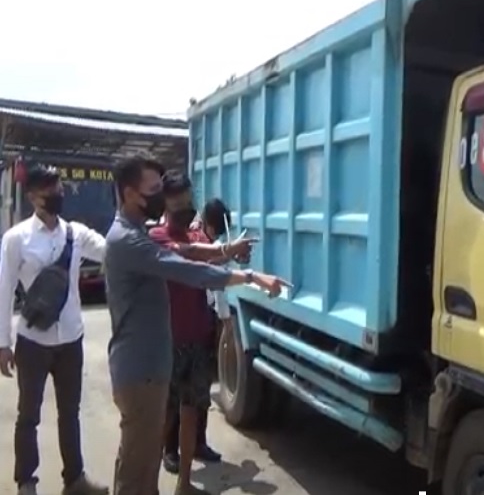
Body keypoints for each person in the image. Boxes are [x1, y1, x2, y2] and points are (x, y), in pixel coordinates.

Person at [103, 153, 288, 495]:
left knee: (141, 468)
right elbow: (185, 266)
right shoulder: (128, 240)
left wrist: (227, 252)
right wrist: (248, 276)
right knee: (137, 470)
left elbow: (191, 253)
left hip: (149, 366)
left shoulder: (133, 233)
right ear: (130, 193)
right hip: (139, 370)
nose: (163, 197)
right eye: (155, 189)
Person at [0, 164, 109, 495]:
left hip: (70, 339)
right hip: (33, 341)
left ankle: (74, 480)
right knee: (28, 416)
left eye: (59, 187)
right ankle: (26, 483)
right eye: (51, 190)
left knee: (69, 414)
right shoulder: (16, 238)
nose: (59, 194)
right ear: (33, 196)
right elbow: (4, 290)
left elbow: (110, 249)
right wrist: (2, 343)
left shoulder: (75, 234)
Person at [151, 173, 227, 480]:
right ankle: (155, 468)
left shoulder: (198, 238)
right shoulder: (157, 237)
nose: (186, 208)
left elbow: (210, 264)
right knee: (167, 412)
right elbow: (193, 259)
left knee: (195, 405)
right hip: (169, 340)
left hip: (198, 337)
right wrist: (222, 254)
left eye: (188, 201)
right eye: (178, 203)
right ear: (166, 204)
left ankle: (188, 470)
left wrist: (229, 255)